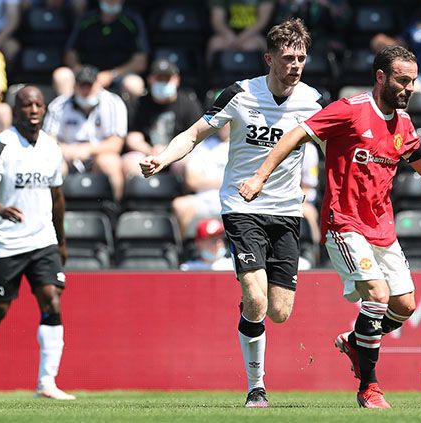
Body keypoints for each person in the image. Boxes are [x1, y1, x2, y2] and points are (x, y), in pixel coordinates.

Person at [239, 45, 421, 408]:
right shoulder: (350, 110)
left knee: (404, 305)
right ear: (381, 78)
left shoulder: (403, 124)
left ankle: (357, 342)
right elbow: (297, 134)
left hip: (382, 229)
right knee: (376, 295)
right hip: (344, 224)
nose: (409, 88)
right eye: (402, 81)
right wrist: (261, 176)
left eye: (413, 82)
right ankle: (369, 388)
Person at [139, 18, 323, 408]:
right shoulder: (239, 94)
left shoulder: (312, 101)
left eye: (302, 58)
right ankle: (256, 387)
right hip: (243, 206)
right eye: (288, 58)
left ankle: (250, 300)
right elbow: (192, 135)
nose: (295, 65)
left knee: (279, 312)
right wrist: (162, 158)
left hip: (288, 211)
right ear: (269, 58)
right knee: (257, 302)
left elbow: (334, 151)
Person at [0, 86, 74, 400]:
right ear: (15, 109)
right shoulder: (1, 146)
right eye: (26, 105)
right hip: (6, 242)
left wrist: (60, 239)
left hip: (42, 240)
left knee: (52, 300)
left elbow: (57, 197)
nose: (33, 110)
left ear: (45, 108)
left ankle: (47, 383)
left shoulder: (51, 147)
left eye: (38, 104)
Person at [43, 65, 127, 200]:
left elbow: (116, 144)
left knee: (110, 162)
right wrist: (67, 150)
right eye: (82, 85)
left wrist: (87, 150)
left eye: (90, 85)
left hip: (98, 156)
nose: (86, 90)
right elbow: (48, 140)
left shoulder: (113, 103)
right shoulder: (59, 105)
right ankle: (56, 210)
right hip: (67, 156)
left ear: (98, 85)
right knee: (52, 163)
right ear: (74, 86)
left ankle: (114, 208)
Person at [122, 59, 203, 180]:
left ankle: (181, 196)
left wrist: (167, 153)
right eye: (159, 79)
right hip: (147, 154)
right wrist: (151, 151)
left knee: (189, 164)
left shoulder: (188, 103)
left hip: (179, 155)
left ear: (176, 80)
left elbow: (197, 136)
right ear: (150, 80)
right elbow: (133, 137)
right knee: (130, 162)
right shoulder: (139, 104)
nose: (163, 82)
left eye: (167, 79)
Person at [61, 0, 149, 98]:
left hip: (119, 77)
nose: (111, 2)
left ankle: (129, 113)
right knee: (62, 76)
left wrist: (112, 75)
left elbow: (140, 62)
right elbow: (70, 54)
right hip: (86, 74)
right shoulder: (86, 20)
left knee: (134, 84)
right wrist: (84, 72)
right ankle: (69, 112)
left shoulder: (132, 21)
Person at [171, 124, 229, 239]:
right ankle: (183, 251)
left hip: (233, 198)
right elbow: (191, 181)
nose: (225, 126)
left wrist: (207, 182)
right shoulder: (203, 146)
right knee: (180, 206)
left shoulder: (243, 146)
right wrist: (224, 182)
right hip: (205, 199)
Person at [272, 0, 350, 56]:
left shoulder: (336, 2)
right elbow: (281, 24)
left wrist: (328, 6)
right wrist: (292, 7)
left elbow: (344, 22)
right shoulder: (292, 3)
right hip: (300, 40)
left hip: (327, 39)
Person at [207, 0, 275, 64]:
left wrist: (242, 38)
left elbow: (262, 20)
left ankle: (266, 74)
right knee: (215, 44)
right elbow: (217, 20)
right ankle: (211, 75)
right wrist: (228, 34)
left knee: (250, 46)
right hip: (228, 34)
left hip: (255, 34)